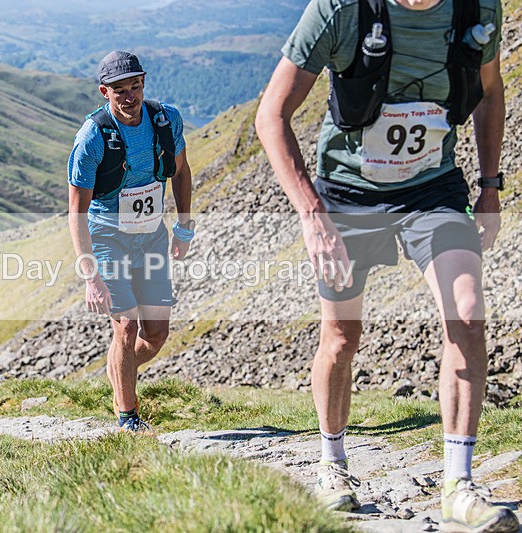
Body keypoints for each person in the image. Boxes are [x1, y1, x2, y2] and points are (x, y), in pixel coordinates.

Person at [256, 0, 519, 530]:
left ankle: (458, 484)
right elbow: (271, 115)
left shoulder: (478, 8)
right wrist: (312, 216)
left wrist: (490, 186)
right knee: (340, 336)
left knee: (466, 316)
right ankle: (333, 467)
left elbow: (490, 91)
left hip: (433, 189)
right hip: (346, 196)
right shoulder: (339, 11)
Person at [68, 51, 194, 433]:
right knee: (125, 327)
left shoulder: (165, 118)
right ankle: (128, 415)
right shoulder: (92, 136)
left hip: (152, 236)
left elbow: (182, 171)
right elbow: (76, 210)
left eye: (135, 86)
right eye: (119, 90)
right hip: (107, 236)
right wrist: (90, 275)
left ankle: (118, 373)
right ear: (104, 91)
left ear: (144, 84)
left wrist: (184, 226)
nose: (129, 97)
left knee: (155, 335)